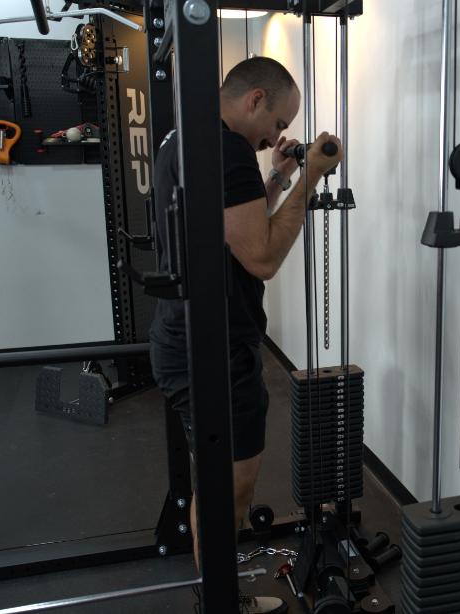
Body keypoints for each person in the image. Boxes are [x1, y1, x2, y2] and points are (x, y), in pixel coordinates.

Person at [149, 56, 344, 614]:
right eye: (278, 123)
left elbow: (228, 219)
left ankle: (216, 595)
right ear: (255, 98)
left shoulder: (185, 136)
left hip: (188, 332)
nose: (276, 136)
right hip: (213, 344)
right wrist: (309, 179)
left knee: (215, 480)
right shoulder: (226, 148)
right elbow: (259, 255)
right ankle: (220, 601)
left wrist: (280, 176)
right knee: (228, 486)